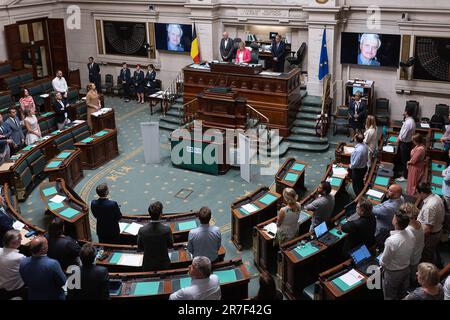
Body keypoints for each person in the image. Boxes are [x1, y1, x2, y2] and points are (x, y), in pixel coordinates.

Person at [380, 211, 415, 300]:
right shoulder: (411, 234)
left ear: (395, 222)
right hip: (406, 269)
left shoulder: (391, 241)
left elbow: (384, 262)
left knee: (390, 296)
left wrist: (380, 260)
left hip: (393, 274)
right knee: (402, 294)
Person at [137, 201, 174, 271]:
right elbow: (170, 245)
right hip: (163, 264)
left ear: (149, 214)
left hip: (148, 264)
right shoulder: (166, 230)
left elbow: (140, 247)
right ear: (161, 214)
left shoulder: (142, 230)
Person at [416, 182, 445, 264]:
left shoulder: (429, 207)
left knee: (425, 256)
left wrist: (417, 239)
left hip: (430, 237)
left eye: (417, 193)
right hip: (437, 230)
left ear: (421, 192)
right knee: (430, 252)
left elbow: (427, 229)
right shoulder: (436, 196)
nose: (417, 195)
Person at [402, 203, 424, 286]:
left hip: (411, 258)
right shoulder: (418, 223)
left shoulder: (408, 230)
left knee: (410, 276)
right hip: (418, 253)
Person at [0, 230, 26, 300]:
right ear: (14, 242)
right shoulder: (20, 257)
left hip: (1, 285)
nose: (22, 240)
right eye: (20, 239)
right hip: (16, 288)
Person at [396, 105, 416, 182]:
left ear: (406, 112)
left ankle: (405, 176)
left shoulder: (408, 122)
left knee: (405, 161)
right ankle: (404, 173)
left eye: (405, 110)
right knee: (404, 159)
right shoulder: (411, 120)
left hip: (404, 143)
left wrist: (399, 138)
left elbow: (403, 136)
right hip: (407, 143)